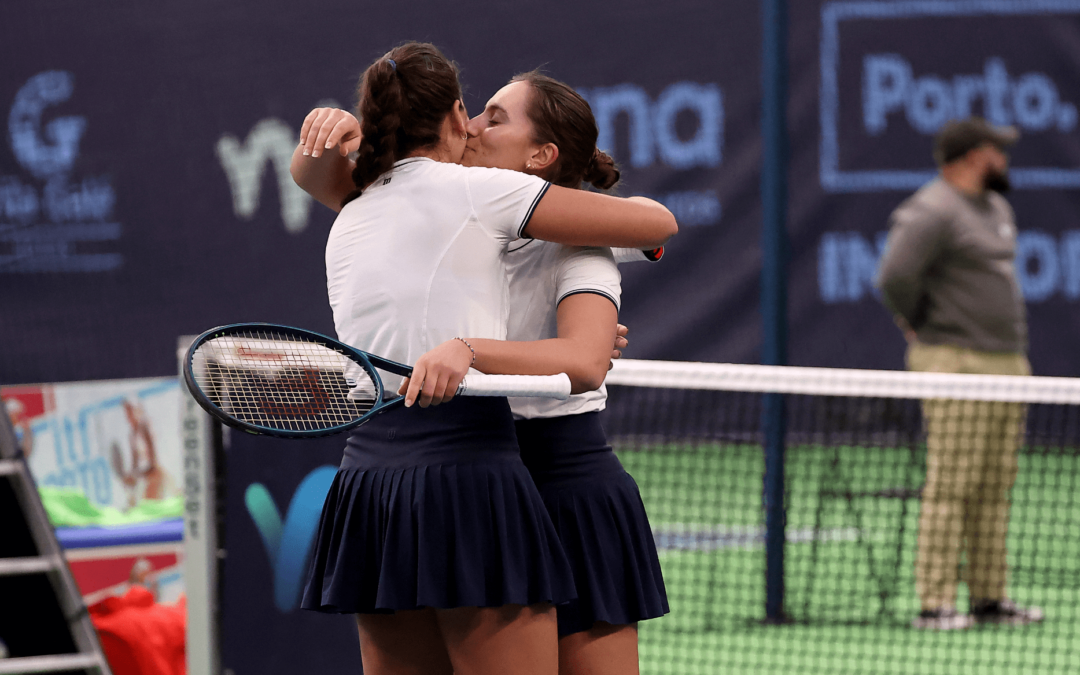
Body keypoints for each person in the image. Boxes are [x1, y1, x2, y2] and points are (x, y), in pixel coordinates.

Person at [291, 43, 676, 675]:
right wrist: (324, 134)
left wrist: (471, 353)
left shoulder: (573, 241)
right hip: (478, 474)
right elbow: (329, 182)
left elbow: (587, 352)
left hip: (561, 483)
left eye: (494, 117)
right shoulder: (452, 207)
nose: (472, 127)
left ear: (540, 157)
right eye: (473, 112)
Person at [875, 116, 1043, 630]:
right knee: (953, 484)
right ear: (973, 157)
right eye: (998, 150)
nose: (1005, 160)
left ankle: (990, 598)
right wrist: (920, 322)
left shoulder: (995, 206)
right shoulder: (931, 210)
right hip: (955, 362)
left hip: (1007, 362)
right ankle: (936, 602)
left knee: (996, 484)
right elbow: (895, 276)